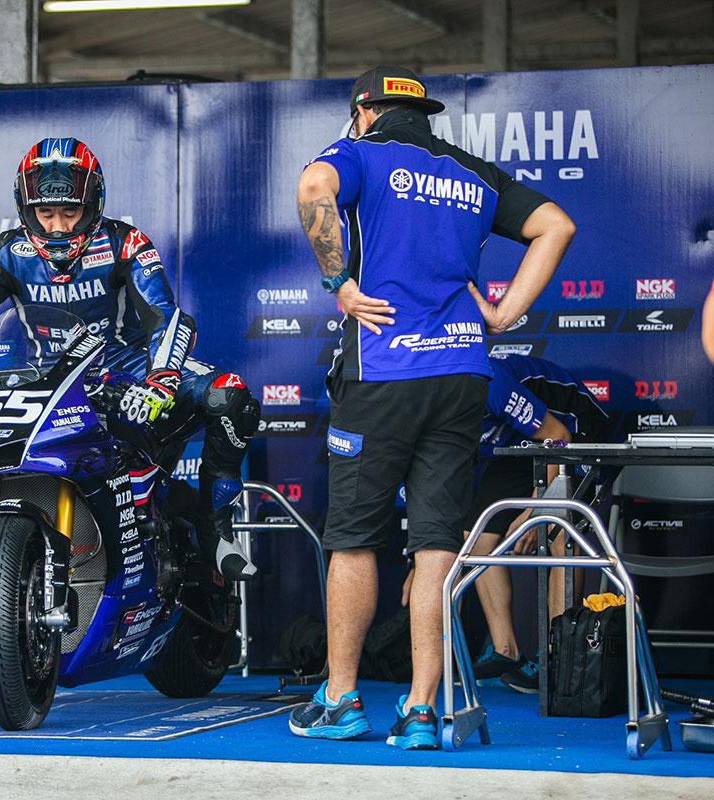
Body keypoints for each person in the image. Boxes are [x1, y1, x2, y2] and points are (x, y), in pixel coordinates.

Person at [287, 66, 576, 750]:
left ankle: (341, 699)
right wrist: (504, 312)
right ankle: (422, 710)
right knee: (438, 543)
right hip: (463, 374)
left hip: (384, 371)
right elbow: (556, 225)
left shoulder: (360, 152)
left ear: (364, 112)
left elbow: (313, 185)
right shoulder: (472, 171)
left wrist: (339, 282)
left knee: (354, 539)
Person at [0, 137, 261, 581]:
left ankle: (213, 528)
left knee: (230, 398)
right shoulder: (0, 253)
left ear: (93, 203)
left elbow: (164, 316)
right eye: (46, 213)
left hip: (127, 369)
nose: (58, 227)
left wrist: (160, 379)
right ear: (25, 208)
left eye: (69, 212)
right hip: (42, 379)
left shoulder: (127, 243)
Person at [402, 354, 611, 692]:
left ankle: (559, 657)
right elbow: (436, 490)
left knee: (559, 535)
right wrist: (420, 562)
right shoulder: (421, 410)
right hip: (520, 442)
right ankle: (506, 651)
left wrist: (535, 509)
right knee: (476, 538)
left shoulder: (488, 383)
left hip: (572, 430)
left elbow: (557, 436)